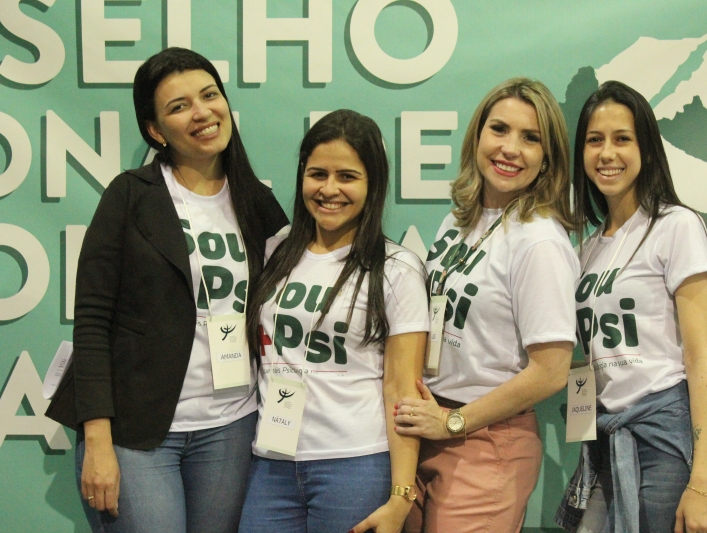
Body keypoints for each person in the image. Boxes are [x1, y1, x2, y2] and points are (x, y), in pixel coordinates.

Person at [45, 47, 288, 533]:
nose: (201, 112)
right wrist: (97, 440)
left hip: (231, 426)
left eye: (209, 95)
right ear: (156, 131)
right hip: (137, 433)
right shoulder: (131, 195)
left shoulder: (257, 202)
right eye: (179, 106)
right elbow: (92, 320)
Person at [556, 80, 707, 533]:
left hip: (664, 436)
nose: (607, 153)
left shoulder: (676, 226)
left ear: (646, 149)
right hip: (607, 439)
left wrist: (703, 482)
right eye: (594, 140)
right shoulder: (587, 250)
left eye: (622, 138)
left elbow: (699, 358)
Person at [393, 77, 579, 533]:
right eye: (499, 129)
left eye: (530, 138)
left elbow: (552, 371)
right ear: (477, 135)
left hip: (485, 439)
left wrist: (454, 422)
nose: (510, 149)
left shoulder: (539, 241)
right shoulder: (458, 221)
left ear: (548, 157)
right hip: (427, 428)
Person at [239, 109, 429, 533]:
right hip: (271, 464)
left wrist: (401, 497)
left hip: (354, 465)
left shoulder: (397, 269)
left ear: (372, 184)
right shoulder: (275, 251)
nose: (329, 189)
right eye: (317, 174)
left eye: (347, 176)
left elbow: (401, 390)